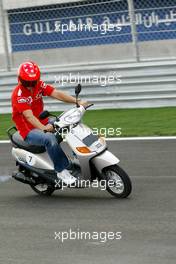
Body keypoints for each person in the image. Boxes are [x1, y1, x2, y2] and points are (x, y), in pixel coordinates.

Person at [11, 61, 88, 185]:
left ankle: (79, 156)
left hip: (44, 121)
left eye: (33, 82)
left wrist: (77, 101)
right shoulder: (18, 95)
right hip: (28, 130)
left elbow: (56, 93)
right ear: (19, 79)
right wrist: (44, 129)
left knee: (72, 121)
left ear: (37, 79)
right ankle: (61, 171)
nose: (30, 86)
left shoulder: (39, 85)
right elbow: (29, 117)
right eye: (26, 82)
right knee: (50, 139)